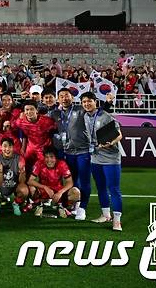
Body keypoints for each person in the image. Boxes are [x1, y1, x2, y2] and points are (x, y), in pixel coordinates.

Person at [49, 89, 114, 221]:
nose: (64, 98)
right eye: (61, 96)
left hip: (83, 151)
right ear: (58, 99)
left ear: (72, 97)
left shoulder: (80, 109)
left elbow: (98, 112)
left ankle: (83, 208)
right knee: (72, 181)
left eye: (67, 96)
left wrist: (107, 103)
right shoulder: (55, 113)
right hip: (67, 152)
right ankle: (76, 204)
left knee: (84, 181)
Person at [82, 93, 124, 231]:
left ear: (95, 102)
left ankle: (117, 220)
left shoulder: (105, 116)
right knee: (101, 188)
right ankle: (106, 215)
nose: (87, 104)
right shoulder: (85, 116)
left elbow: (119, 135)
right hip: (95, 157)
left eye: (89, 101)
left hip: (111, 158)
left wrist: (110, 143)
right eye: (84, 102)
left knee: (114, 189)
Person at [28, 146, 81, 219]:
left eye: (52, 157)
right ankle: (39, 204)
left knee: (76, 192)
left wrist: (60, 192)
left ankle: (67, 207)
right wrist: (44, 187)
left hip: (58, 191)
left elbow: (70, 182)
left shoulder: (62, 164)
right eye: (46, 157)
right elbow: (30, 181)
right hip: (44, 191)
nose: (49, 160)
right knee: (31, 188)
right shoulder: (39, 163)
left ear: (56, 158)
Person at [4, 100, 56, 174]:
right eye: (27, 110)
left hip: (44, 147)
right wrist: (7, 124)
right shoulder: (20, 122)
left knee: (45, 167)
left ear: (36, 110)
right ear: (24, 112)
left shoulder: (47, 121)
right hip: (31, 147)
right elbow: (12, 125)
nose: (29, 112)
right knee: (24, 163)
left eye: (32, 109)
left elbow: (56, 129)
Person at [0, 138, 28, 216]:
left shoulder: (20, 159)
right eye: (5, 146)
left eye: (10, 146)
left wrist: (22, 172)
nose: (7, 149)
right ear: (0, 147)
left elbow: (22, 182)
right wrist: (0, 172)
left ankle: (16, 203)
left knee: (24, 190)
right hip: (0, 186)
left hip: (14, 187)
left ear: (13, 147)